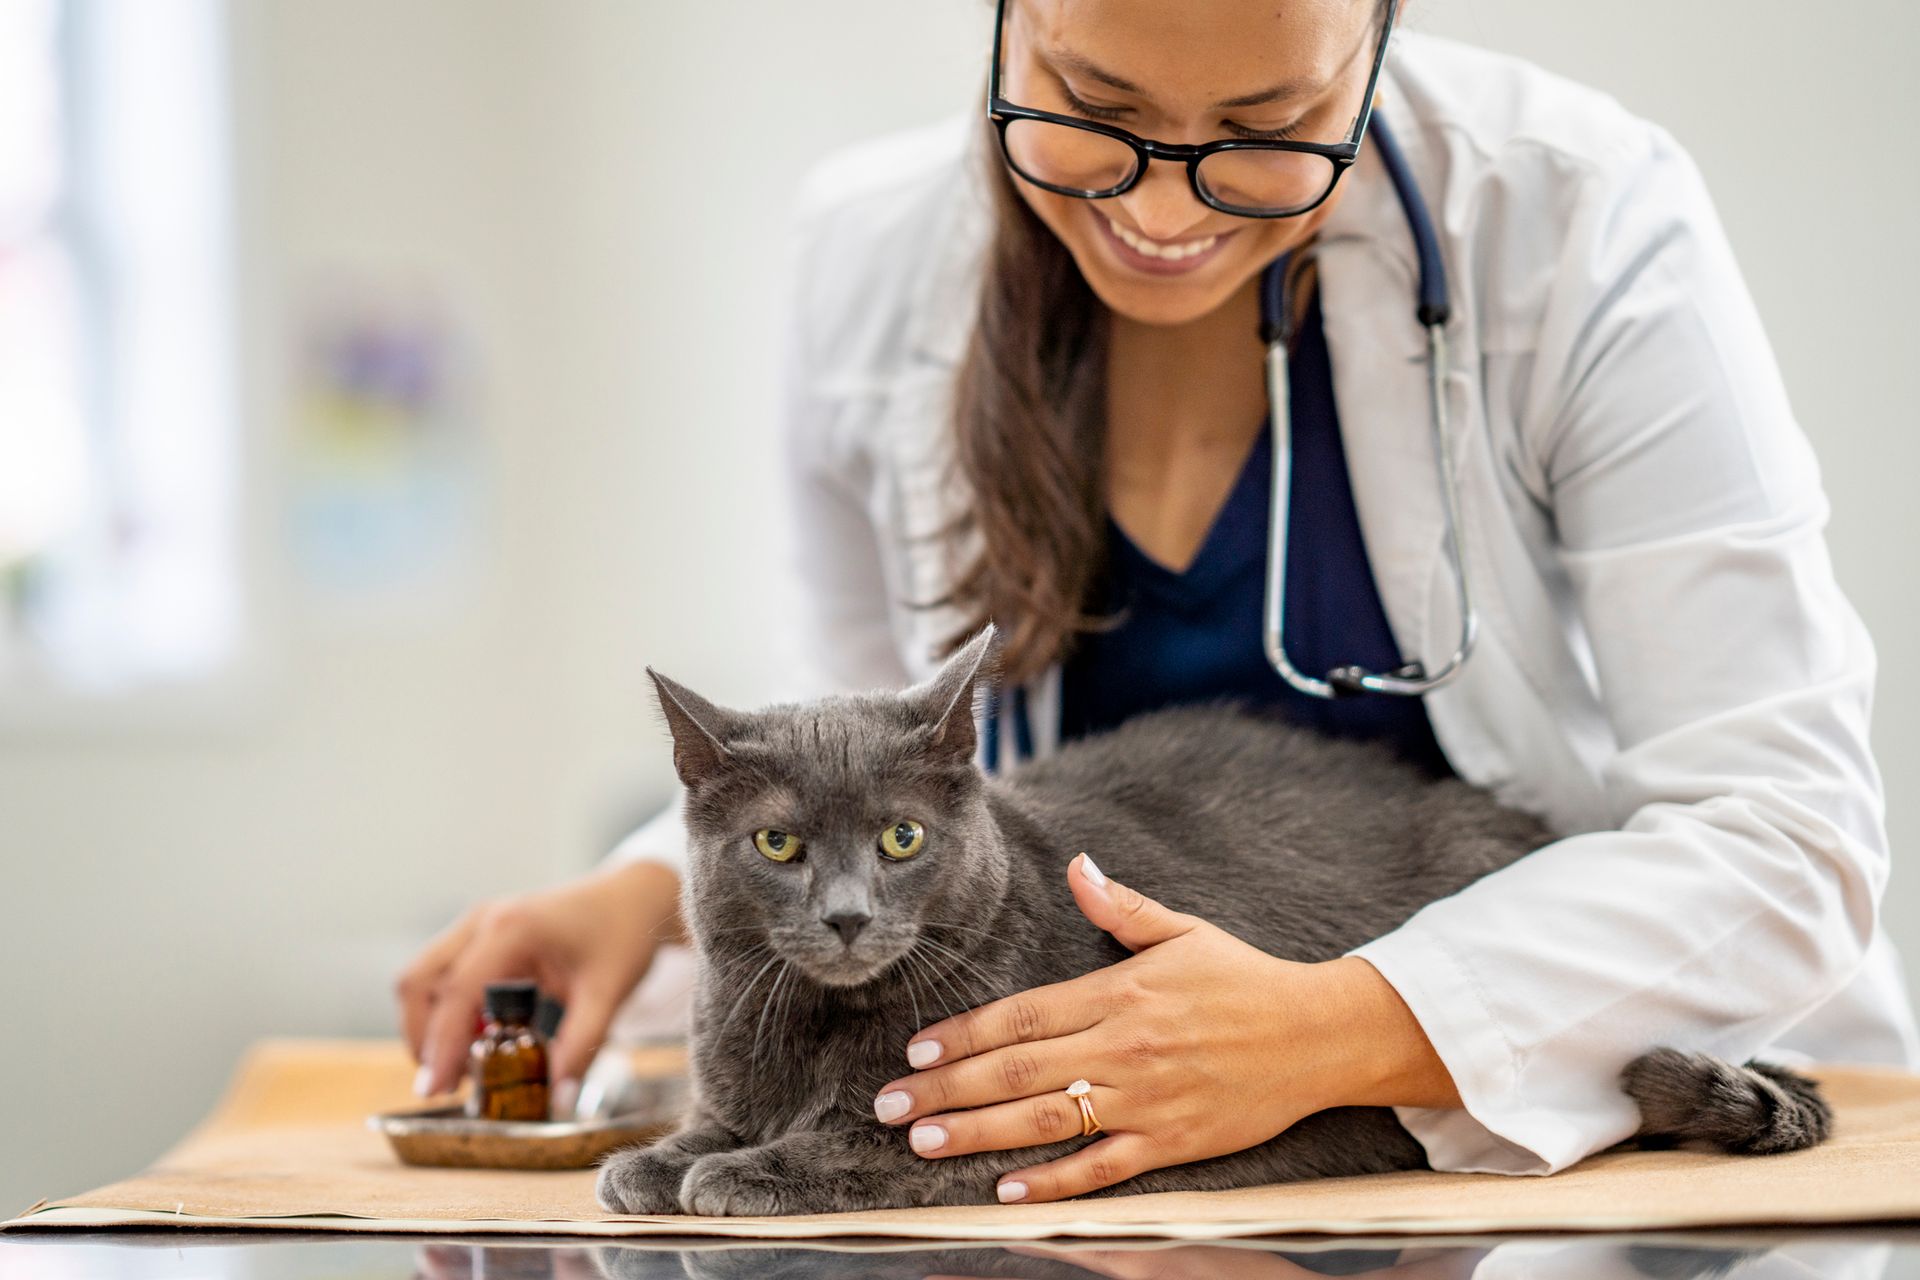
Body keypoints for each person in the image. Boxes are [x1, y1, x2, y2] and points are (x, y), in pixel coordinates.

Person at [397, 0, 1920, 1203]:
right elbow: (868, 757)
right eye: (1095, 108)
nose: (1165, 205)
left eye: (1270, 127)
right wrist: (640, 897)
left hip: (1543, 1166)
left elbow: (1787, 836)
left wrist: (1342, 1028)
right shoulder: (866, 259)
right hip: (1103, 1209)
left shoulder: (1574, 214)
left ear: (1381, 42)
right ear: (1003, 27)